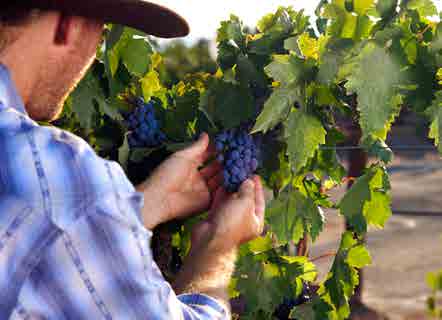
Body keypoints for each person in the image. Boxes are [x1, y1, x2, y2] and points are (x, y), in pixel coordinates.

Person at [0, 1, 265, 319]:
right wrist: (219, 246)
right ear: (69, 23)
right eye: (102, 32)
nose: (97, 54)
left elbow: (32, 243)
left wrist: (146, 204)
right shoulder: (60, 177)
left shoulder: (41, 185)